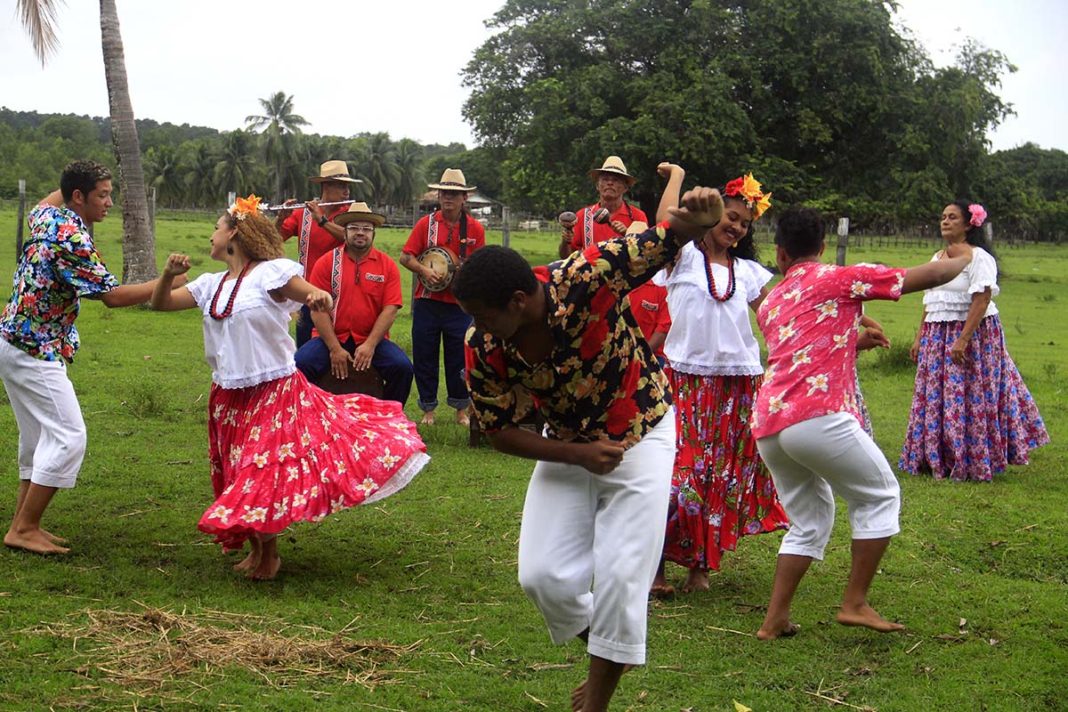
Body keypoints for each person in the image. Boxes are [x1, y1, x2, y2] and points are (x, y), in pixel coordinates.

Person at [455, 186, 725, 712]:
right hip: (569, 446)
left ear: (517, 301)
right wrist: (578, 454)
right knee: (541, 576)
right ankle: (613, 646)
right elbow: (499, 431)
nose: (477, 327)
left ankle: (597, 695)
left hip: (641, 430)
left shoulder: (585, 276)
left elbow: (662, 240)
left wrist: (700, 219)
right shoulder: (483, 345)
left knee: (625, 573)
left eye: (483, 316)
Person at [150, 196, 428, 580]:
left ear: (233, 234)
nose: (211, 235)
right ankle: (255, 549)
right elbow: (161, 304)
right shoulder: (210, 284)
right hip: (227, 395)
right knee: (236, 471)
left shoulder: (270, 273)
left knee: (260, 471)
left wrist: (317, 295)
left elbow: (306, 291)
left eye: (216, 227)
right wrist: (167, 274)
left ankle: (270, 556)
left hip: (273, 390)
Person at [751, 206, 974, 640]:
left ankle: (774, 619)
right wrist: (968, 257)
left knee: (810, 519)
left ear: (779, 254)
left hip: (770, 424)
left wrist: (854, 341)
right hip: (815, 415)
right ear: (820, 247)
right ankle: (854, 602)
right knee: (880, 495)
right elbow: (922, 278)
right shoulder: (837, 277)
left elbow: (804, 349)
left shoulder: (773, 300)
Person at [1, 160, 182, 555]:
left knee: (38, 438)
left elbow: (52, 198)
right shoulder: (71, 237)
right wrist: (166, 281)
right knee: (69, 436)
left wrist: (75, 180)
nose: (110, 202)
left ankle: (23, 525)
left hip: (14, 340)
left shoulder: (47, 215)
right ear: (79, 197)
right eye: (102, 194)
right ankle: (25, 527)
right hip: (35, 349)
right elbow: (111, 298)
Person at [649, 163, 789, 597]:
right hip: (682, 383)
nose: (738, 229)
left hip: (736, 388)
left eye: (745, 224)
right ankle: (655, 570)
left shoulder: (748, 273)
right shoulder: (682, 256)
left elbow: (781, 317)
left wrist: (842, 336)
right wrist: (677, 175)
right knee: (674, 477)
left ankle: (701, 567)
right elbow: (664, 222)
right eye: (731, 218)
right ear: (713, 214)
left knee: (717, 479)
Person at [900, 201, 1049, 482]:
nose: (945, 221)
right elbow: (930, 299)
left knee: (969, 395)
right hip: (937, 334)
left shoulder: (978, 257)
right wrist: (920, 336)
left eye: (952, 217)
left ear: (969, 224)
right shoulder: (937, 257)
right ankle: (936, 455)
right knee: (936, 395)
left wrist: (963, 339)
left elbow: (982, 299)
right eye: (943, 216)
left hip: (974, 334)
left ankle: (970, 458)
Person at [294, 202, 413, 405]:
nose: (360, 233)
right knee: (299, 365)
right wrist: (334, 348)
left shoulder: (387, 266)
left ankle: (391, 417)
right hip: (330, 337)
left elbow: (390, 309)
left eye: (366, 229)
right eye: (354, 228)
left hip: (370, 339)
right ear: (345, 231)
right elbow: (317, 310)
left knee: (402, 368)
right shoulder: (327, 262)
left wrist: (370, 345)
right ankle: (308, 414)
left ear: (373, 233)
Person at [400, 168, 486, 426]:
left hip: (459, 304)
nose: (448, 197)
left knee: (458, 355)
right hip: (427, 301)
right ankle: (428, 409)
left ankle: (461, 410)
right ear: (439, 196)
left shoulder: (474, 228)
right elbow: (406, 257)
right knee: (425, 353)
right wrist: (425, 270)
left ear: (464, 198)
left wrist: (463, 272)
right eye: (444, 192)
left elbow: (478, 264)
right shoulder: (425, 224)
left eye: (454, 193)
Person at [275, 160, 361, 347]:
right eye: (340, 185)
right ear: (325, 186)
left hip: (341, 293)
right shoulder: (301, 214)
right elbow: (275, 240)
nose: (346, 191)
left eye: (347, 186)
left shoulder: (351, 214)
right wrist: (280, 219)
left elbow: (351, 238)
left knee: (340, 348)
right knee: (306, 347)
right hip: (307, 292)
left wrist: (321, 220)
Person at [558, 156, 649, 260]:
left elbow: (645, 253)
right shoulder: (582, 216)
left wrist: (627, 233)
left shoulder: (637, 216)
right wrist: (566, 241)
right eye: (605, 179)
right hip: (593, 275)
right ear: (597, 185)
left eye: (616, 180)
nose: (610, 183)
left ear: (625, 187)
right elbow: (566, 257)